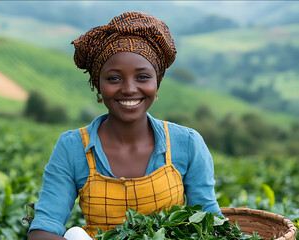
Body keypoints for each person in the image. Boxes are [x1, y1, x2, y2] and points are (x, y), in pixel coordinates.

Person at [28, 11, 221, 240]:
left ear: (156, 83)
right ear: (98, 86)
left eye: (142, 77)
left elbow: (209, 221)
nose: (129, 89)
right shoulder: (72, 148)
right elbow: (44, 227)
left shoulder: (187, 143)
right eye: (114, 78)